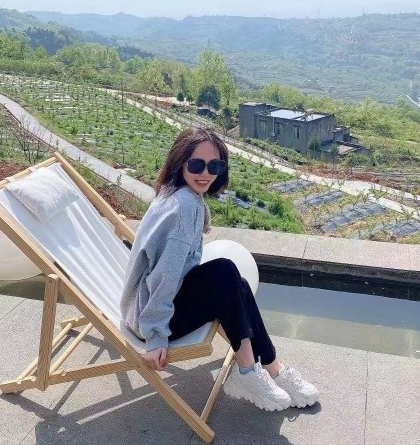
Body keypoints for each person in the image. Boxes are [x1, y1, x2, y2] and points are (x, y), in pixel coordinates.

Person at [120, 127, 319, 411]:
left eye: (214, 166)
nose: (206, 173)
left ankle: (272, 366)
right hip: (150, 318)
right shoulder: (183, 206)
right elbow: (165, 275)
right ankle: (248, 371)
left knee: (235, 282)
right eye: (196, 165)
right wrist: (155, 335)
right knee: (224, 273)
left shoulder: (178, 193)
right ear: (180, 163)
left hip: (153, 305)